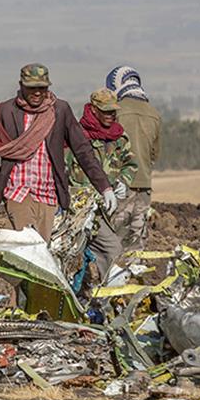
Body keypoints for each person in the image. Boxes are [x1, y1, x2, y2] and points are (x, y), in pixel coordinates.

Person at [0, 63, 116, 243]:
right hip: (17, 191)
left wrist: (105, 187)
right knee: (28, 244)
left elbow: (82, 150)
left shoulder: (60, 110)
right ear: (21, 86)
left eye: (42, 88)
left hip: (49, 193)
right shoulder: (5, 111)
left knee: (42, 250)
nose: (37, 93)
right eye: (31, 88)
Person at [67, 88, 138, 280]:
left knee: (113, 251)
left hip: (107, 209)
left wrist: (124, 181)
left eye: (113, 111)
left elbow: (130, 164)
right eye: (106, 111)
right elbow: (63, 169)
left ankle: (108, 300)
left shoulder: (119, 137)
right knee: (72, 256)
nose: (110, 115)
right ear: (93, 110)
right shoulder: (76, 136)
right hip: (77, 211)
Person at [107, 66, 160, 250]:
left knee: (115, 238)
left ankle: (114, 277)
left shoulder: (115, 111)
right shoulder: (154, 113)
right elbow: (155, 154)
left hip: (120, 185)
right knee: (137, 240)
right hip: (144, 186)